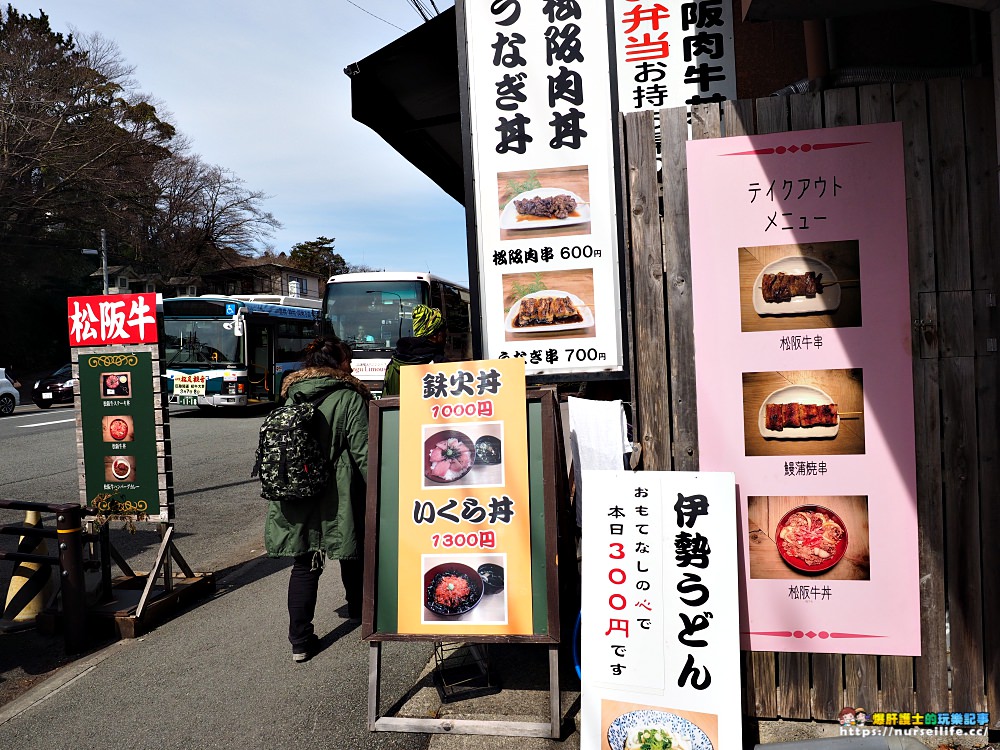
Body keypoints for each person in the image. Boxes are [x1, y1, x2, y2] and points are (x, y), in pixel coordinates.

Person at [264, 335, 371, 663]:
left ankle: (299, 640)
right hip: (337, 492)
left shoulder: (290, 395)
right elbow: (363, 452)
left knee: (305, 564)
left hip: (294, 493)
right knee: (352, 552)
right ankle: (360, 612)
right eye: (347, 360)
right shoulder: (349, 397)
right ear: (338, 364)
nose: (351, 366)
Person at [381, 304, 446, 396]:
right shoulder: (440, 364)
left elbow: (385, 397)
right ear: (434, 335)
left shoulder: (394, 362)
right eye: (443, 332)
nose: (445, 336)